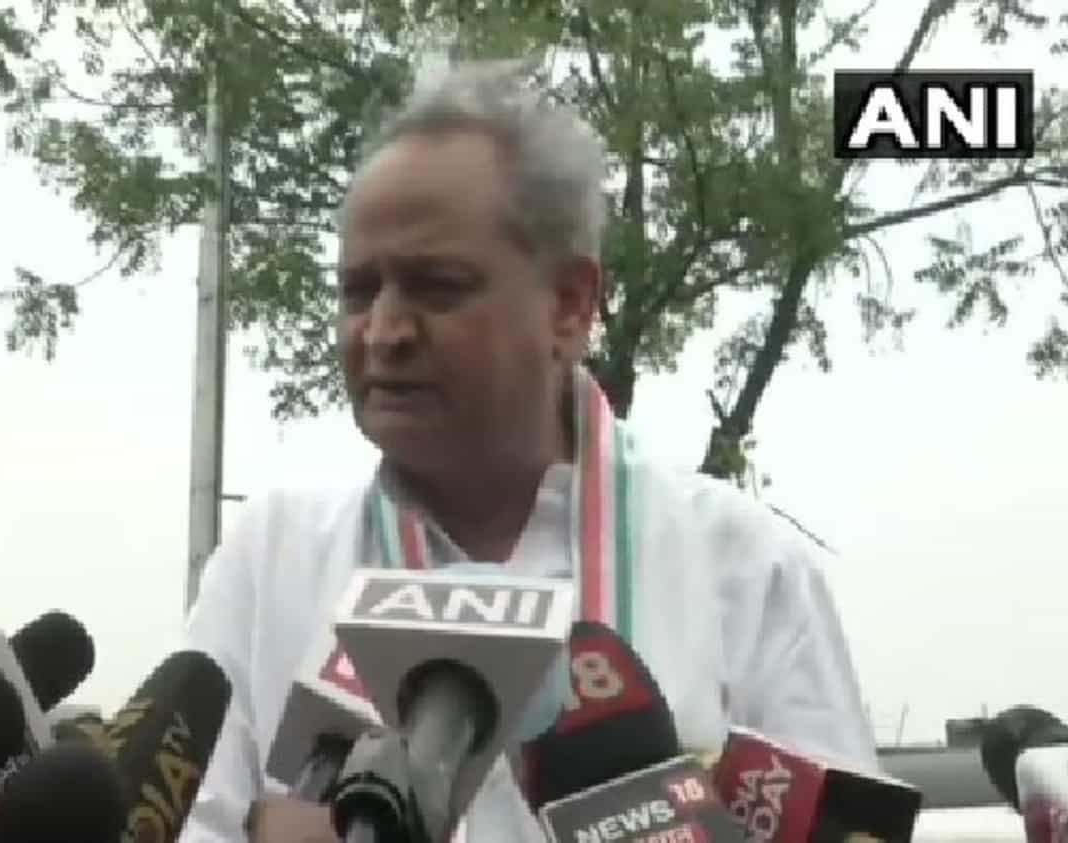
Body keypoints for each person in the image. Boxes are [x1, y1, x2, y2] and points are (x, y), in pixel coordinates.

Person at [178, 59, 877, 843]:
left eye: (436, 286)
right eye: (358, 290)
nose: (384, 331)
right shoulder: (271, 559)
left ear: (570, 306)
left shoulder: (744, 567)